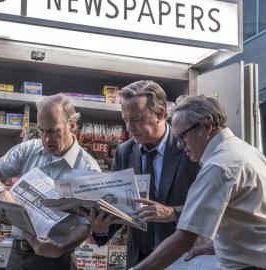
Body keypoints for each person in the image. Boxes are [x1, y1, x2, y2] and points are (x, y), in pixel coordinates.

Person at [129, 95, 266, 270]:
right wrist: (216, 245)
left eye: (182, 137)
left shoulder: (219, 165)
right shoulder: (247, 152)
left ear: (206, 126)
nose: (180, 146)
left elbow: (184, 238)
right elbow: (251, 218)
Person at [87, 80, 203, 268]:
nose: (129, 127)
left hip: (183, 259)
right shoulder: (125, 152)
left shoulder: (189, 148)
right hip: (139, 258)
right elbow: (119, 208)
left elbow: (207, 208)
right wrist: (101, 228)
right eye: (125, 119)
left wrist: (171, 212)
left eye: (137, 119)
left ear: (160, 114)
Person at [0, 93, 101, 270]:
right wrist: (1, 192)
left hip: (56, 259)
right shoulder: (29, 149)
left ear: (72, 125)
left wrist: (61, 248)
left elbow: (86, 224)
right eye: (42, 130)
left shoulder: (88, 169)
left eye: (53, 130)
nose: (46, 138)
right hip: (18, 255)